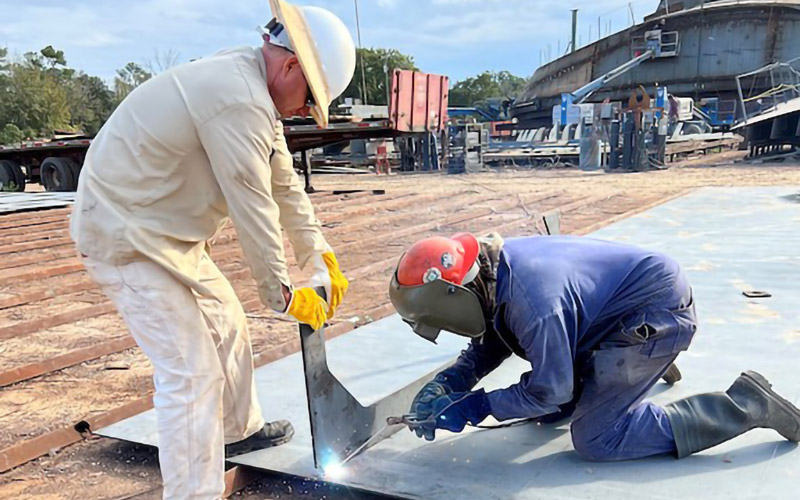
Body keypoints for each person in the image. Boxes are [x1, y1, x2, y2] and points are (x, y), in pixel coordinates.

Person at [70, 1, 355, 498]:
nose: (305, 111)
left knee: (226, 321)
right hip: (124, 236)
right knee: (192, 372)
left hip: (165, 232)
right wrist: (284, 294)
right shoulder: (237, 99)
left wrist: (319, 254)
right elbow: (254, 205)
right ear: (290, 66)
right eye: (310, 99)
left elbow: (283, 184)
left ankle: (236, 432)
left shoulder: (250, 87)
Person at [389, 232, 800, 461]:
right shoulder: (493, 272)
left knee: (597, 437)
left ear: (455, 296)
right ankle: (632, 369)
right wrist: (451, 382)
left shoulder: (537, 307)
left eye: (443, 321)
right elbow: (492, 338)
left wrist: (478, 406)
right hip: (620, 305)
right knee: (553, 410)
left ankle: (746, 405)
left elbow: (550, 390)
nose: (449, 330)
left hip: (655, 312)